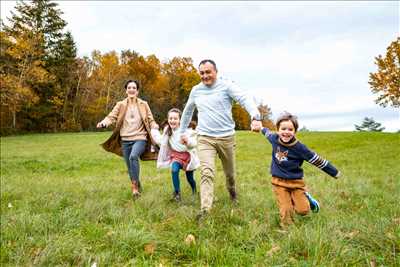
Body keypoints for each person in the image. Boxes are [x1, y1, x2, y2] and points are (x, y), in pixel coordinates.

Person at [178, 59, 262, 220]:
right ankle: (205, 209)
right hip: (205, 137)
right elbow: (188, 111)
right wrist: (182, 132)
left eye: (208, 72)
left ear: (216, 71)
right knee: (206, 172)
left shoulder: (226, 86)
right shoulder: (196, 90)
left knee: (230, 174)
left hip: (226, 138)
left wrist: (255, 116)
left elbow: (244, 98)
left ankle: (232, 193)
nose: (205, 76)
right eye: (202, 73)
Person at [254, 112, 341, 227]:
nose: (286, 132)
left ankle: (307, 199)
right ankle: (287, 229)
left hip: (296, 183)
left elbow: (317, 160)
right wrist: (260, 127)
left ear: (295, 131)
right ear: (278, 129)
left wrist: (334, 172)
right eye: (283, 129)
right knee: (286, 208)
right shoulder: (274, 138)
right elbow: (266, 132)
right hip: (278, 182)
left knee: (303, 210)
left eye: (290, 129)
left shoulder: (300, 148)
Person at [97, 79, 159, 199]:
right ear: (126, 90)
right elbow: (111, 117)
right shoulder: (120, 105)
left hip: (140, 138)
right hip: (125, 140)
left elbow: (150, 119)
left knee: (133, 157)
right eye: (129, 88)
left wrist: (154, 125)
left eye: (134, 88)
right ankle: (138, 186)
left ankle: (134, 188)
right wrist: (104, 123)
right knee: (130, 166)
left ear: (137, 91)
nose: (131, 90)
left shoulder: (143, 104)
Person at [151, 108, 200, 202]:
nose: (172, 120)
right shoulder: (167, 130)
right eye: (170, 118)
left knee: (190, 178)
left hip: (187, 157)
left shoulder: (186, 130)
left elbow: (194, 143)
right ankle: (177, 193)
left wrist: (187, 142)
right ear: (168, 119)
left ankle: (194, 189)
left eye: (175, 118)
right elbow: (161, 141)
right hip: (176, 156)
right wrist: (154, 130)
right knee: (174, 170)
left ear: (180, 120)